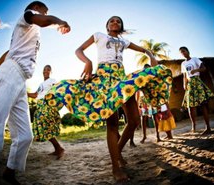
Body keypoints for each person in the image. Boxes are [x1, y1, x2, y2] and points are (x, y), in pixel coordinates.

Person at [37, 16, 172, 182]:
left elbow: (144, 50)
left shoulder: (125, 42)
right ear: (107, 26)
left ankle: (117, 152)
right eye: (111, 21)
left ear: (121, 26)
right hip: (103, 80)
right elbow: (78, 50)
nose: (115, 22)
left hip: (121, 80)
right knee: (113, 124)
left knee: (135, 120)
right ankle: (115, 167)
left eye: (118, 21)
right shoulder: (99, 35)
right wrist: (88, 62)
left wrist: (151, 55)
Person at [0, 1, 70, 185]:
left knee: (25, 136)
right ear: (37, 8)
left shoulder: (30, 32)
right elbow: (44, 21)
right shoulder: (28, 16)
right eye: (45, 11)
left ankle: (9, 172)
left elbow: (7, 53)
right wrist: (61, 22)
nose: (46, 14)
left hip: (20, 80)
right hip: (10, 74)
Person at [28, 65, 64, 160]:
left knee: (46, 126)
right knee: (43, 127)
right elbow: (35, 95)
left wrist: (55, 104)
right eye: (44, 69)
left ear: (51, 72)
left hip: (46, 104)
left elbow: (58, 90)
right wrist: (24, 92)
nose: (46, 71)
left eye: (48, 70)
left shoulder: (52, 80)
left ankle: (59, 149)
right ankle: (58, 148)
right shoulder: (41, 84)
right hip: (40, 105)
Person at [179, 46, 214, 135]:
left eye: (184, 51)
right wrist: (184, 84)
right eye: (181, 52)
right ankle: (193, 126)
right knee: (190, 107)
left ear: (188, 51)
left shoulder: (195, 59)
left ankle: (208, 127)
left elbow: (204, 68)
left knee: (203, 105)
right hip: (190, 84)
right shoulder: (183, 64)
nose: (183, 53)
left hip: (197, 82)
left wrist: (196, 70)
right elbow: (184, 75)